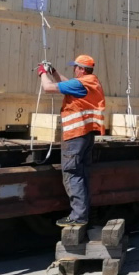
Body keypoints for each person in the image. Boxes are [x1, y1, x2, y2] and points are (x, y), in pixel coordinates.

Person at [38, 54, 106, 227]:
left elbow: (47, 88)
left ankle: (78, 216)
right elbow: (67, 83)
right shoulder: (91, 82)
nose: (74, 70)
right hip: (87, 135)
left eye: (75, 67)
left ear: (81, 69)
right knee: (82, 174)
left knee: (72, 174)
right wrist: (53, 72)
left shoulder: (80, 84)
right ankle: (83, 214)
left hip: (75, 135)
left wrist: (42, 73)